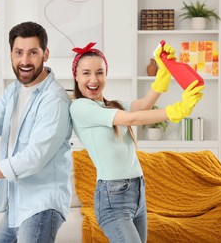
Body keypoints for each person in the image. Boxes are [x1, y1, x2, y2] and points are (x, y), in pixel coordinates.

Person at [69, 42, 204, 243]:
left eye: (100, 72)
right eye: (86, 73)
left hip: (137, 190)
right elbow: (131, 119)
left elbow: (143, 105)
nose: (94, 79)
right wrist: (176, 111)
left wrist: (163, 75)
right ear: (76, 77)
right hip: (113, 197)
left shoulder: (110, 105)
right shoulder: (80, 108)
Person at [0, 21, 72, 243]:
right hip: (18, 202)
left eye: (33, 53)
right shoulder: (14, 90)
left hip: (42, 204)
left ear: (45, 54)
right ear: (11, 54)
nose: (25, 61)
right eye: (19, 53)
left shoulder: (55, 100)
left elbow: (33, 158)